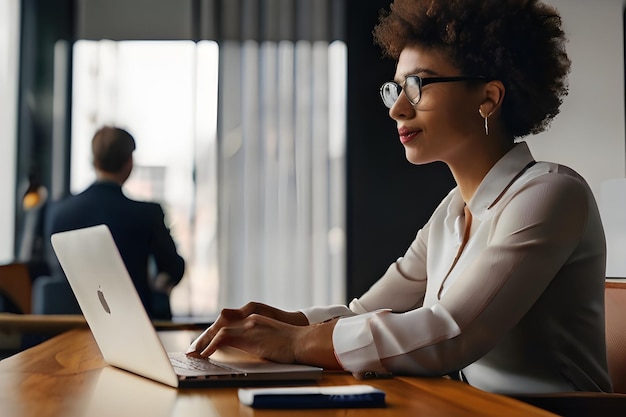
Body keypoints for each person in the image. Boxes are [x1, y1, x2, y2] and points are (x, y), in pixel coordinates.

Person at [186, 0, 612, 394]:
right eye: (395, 89)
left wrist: (297, 342)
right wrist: (283, 322)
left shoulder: (552, 194)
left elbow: (451, 333)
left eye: (418, 85)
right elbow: (364, 312)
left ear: (488, 98)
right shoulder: (450, 214)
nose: (397, 110)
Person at [45, 126, 185, 319]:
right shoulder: (146, 214)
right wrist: (160, 284)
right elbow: (174, 268)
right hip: (133, 323)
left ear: (94, 161)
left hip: (72, 324)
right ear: (129, 162)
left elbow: (55, 269)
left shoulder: (59, 212)